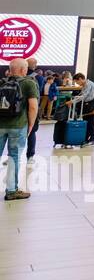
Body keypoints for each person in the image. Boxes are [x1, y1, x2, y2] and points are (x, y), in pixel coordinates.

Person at [2, 57, 39, 200]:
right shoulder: (29, 83)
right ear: (24, 70)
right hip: (18, 126)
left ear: (10, 70)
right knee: (14, 158)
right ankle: (11, 191)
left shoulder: (1, 82)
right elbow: (33, 106)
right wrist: (30, 125)